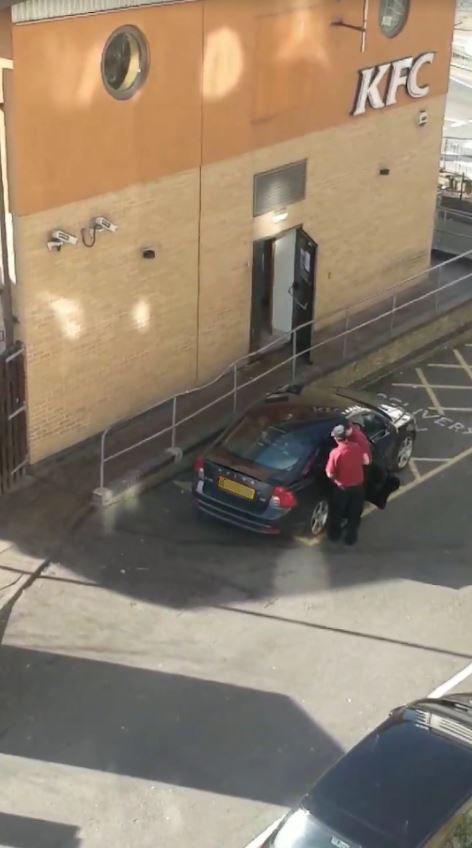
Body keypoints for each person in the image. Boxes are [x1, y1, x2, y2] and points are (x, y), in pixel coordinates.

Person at [325, 423, 365, 545]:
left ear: (336, 438)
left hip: (342, 488)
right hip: (358, 487)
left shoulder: (335, 453)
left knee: (337, 512)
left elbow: (330, 473)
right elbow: (362, 461)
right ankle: (351, 538)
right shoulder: (357, 447)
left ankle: (334, 535)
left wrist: (334, 479)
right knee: (355, 513)